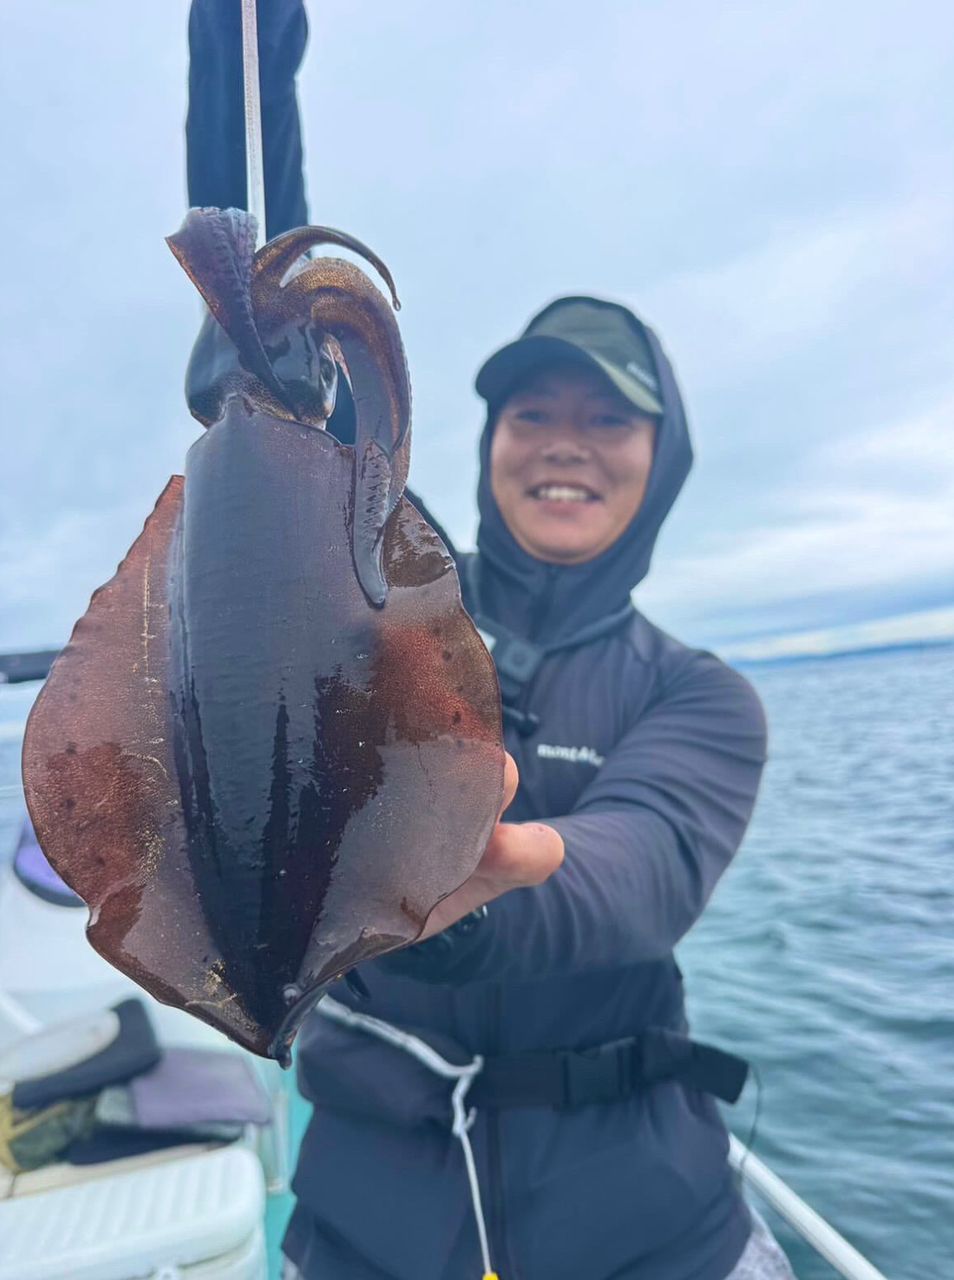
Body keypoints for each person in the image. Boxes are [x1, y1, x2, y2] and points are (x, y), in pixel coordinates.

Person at [186, 6, 794, 1278]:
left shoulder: (700, 698)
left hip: (650, 1230)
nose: (564, 439)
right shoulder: (384, 581)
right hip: (366, 1227)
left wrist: (447, 894)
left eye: (606, 418)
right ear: (492, 439)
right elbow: (311, 447)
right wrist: (268, 375)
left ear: (660, 462)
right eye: (533, 410)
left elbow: (629, 880)